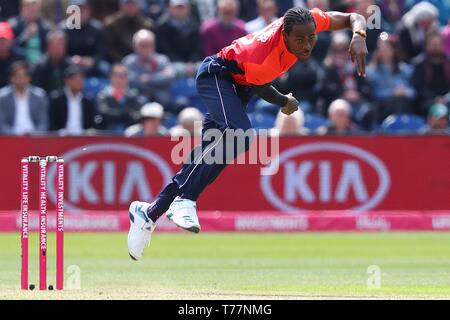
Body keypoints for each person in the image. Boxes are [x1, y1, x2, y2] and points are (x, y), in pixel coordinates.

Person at [127, 6, 368, 259]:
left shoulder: (310, 21)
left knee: (209, 157)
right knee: (240, 136)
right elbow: (262, 87)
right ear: (284, 36)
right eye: (299, 40)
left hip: (237, 87)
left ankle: (149, 213)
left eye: (311, 38)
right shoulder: (264, 56)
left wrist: (359, 35)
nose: (307, 46)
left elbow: (352, 17)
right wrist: (284, 101)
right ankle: (184, 200)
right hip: (216, 77)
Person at [123, 29, 176, 112]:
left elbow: (170, 77)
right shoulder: (128, 62)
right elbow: (131, 80)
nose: (146, 48)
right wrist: (158, 78)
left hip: (162, 99)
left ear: (154, 45)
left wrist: (148, 79)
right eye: (142, 45)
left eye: (149, 45)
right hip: (140, 100)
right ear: (134, 46)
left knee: (182, 103)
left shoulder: (162, 60)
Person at [0, 61, 48, 135]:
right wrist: (15, 135)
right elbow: (2, 124)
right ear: (11, 78)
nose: (22, 80)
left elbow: (43, 123)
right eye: (18, 76)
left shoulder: (40, 96)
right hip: (11, 138)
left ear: (29, 78)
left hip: (35, 138)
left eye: (25, 76)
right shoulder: (2, 97)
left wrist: (34, 134)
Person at [96, 63, 146, 134]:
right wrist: (126, 113)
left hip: (130, 136)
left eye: (122, 76)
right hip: (107, 136)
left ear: (127, 78)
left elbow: (136, 117)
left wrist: (115, 112)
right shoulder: (103, 95)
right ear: (111, 77)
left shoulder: (133, 96)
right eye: (116, 75)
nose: (119, 79)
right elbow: (103, 114)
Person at [48, 66, 96, 135]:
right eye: (76, 79)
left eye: (81, 78)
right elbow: (51, 123)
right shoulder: (56, 99)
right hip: (60, 139)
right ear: (67, 81)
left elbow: (91, 123)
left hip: (83, 138)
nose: (80, 82)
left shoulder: (88, 101)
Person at [8, 0, 50, 65]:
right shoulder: (13, 25)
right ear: (22, 9)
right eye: (30, 10)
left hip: (40, 66)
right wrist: (25, 36)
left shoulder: (45, 27)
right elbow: (9, 48)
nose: (32, 12)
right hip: (18, 65)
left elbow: (48, 50)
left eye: (34, 10)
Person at [0, 22, 25, 88]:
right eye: (0, 40)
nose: (2, 43)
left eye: (4, 40)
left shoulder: (20, 58)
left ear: (11, 40)